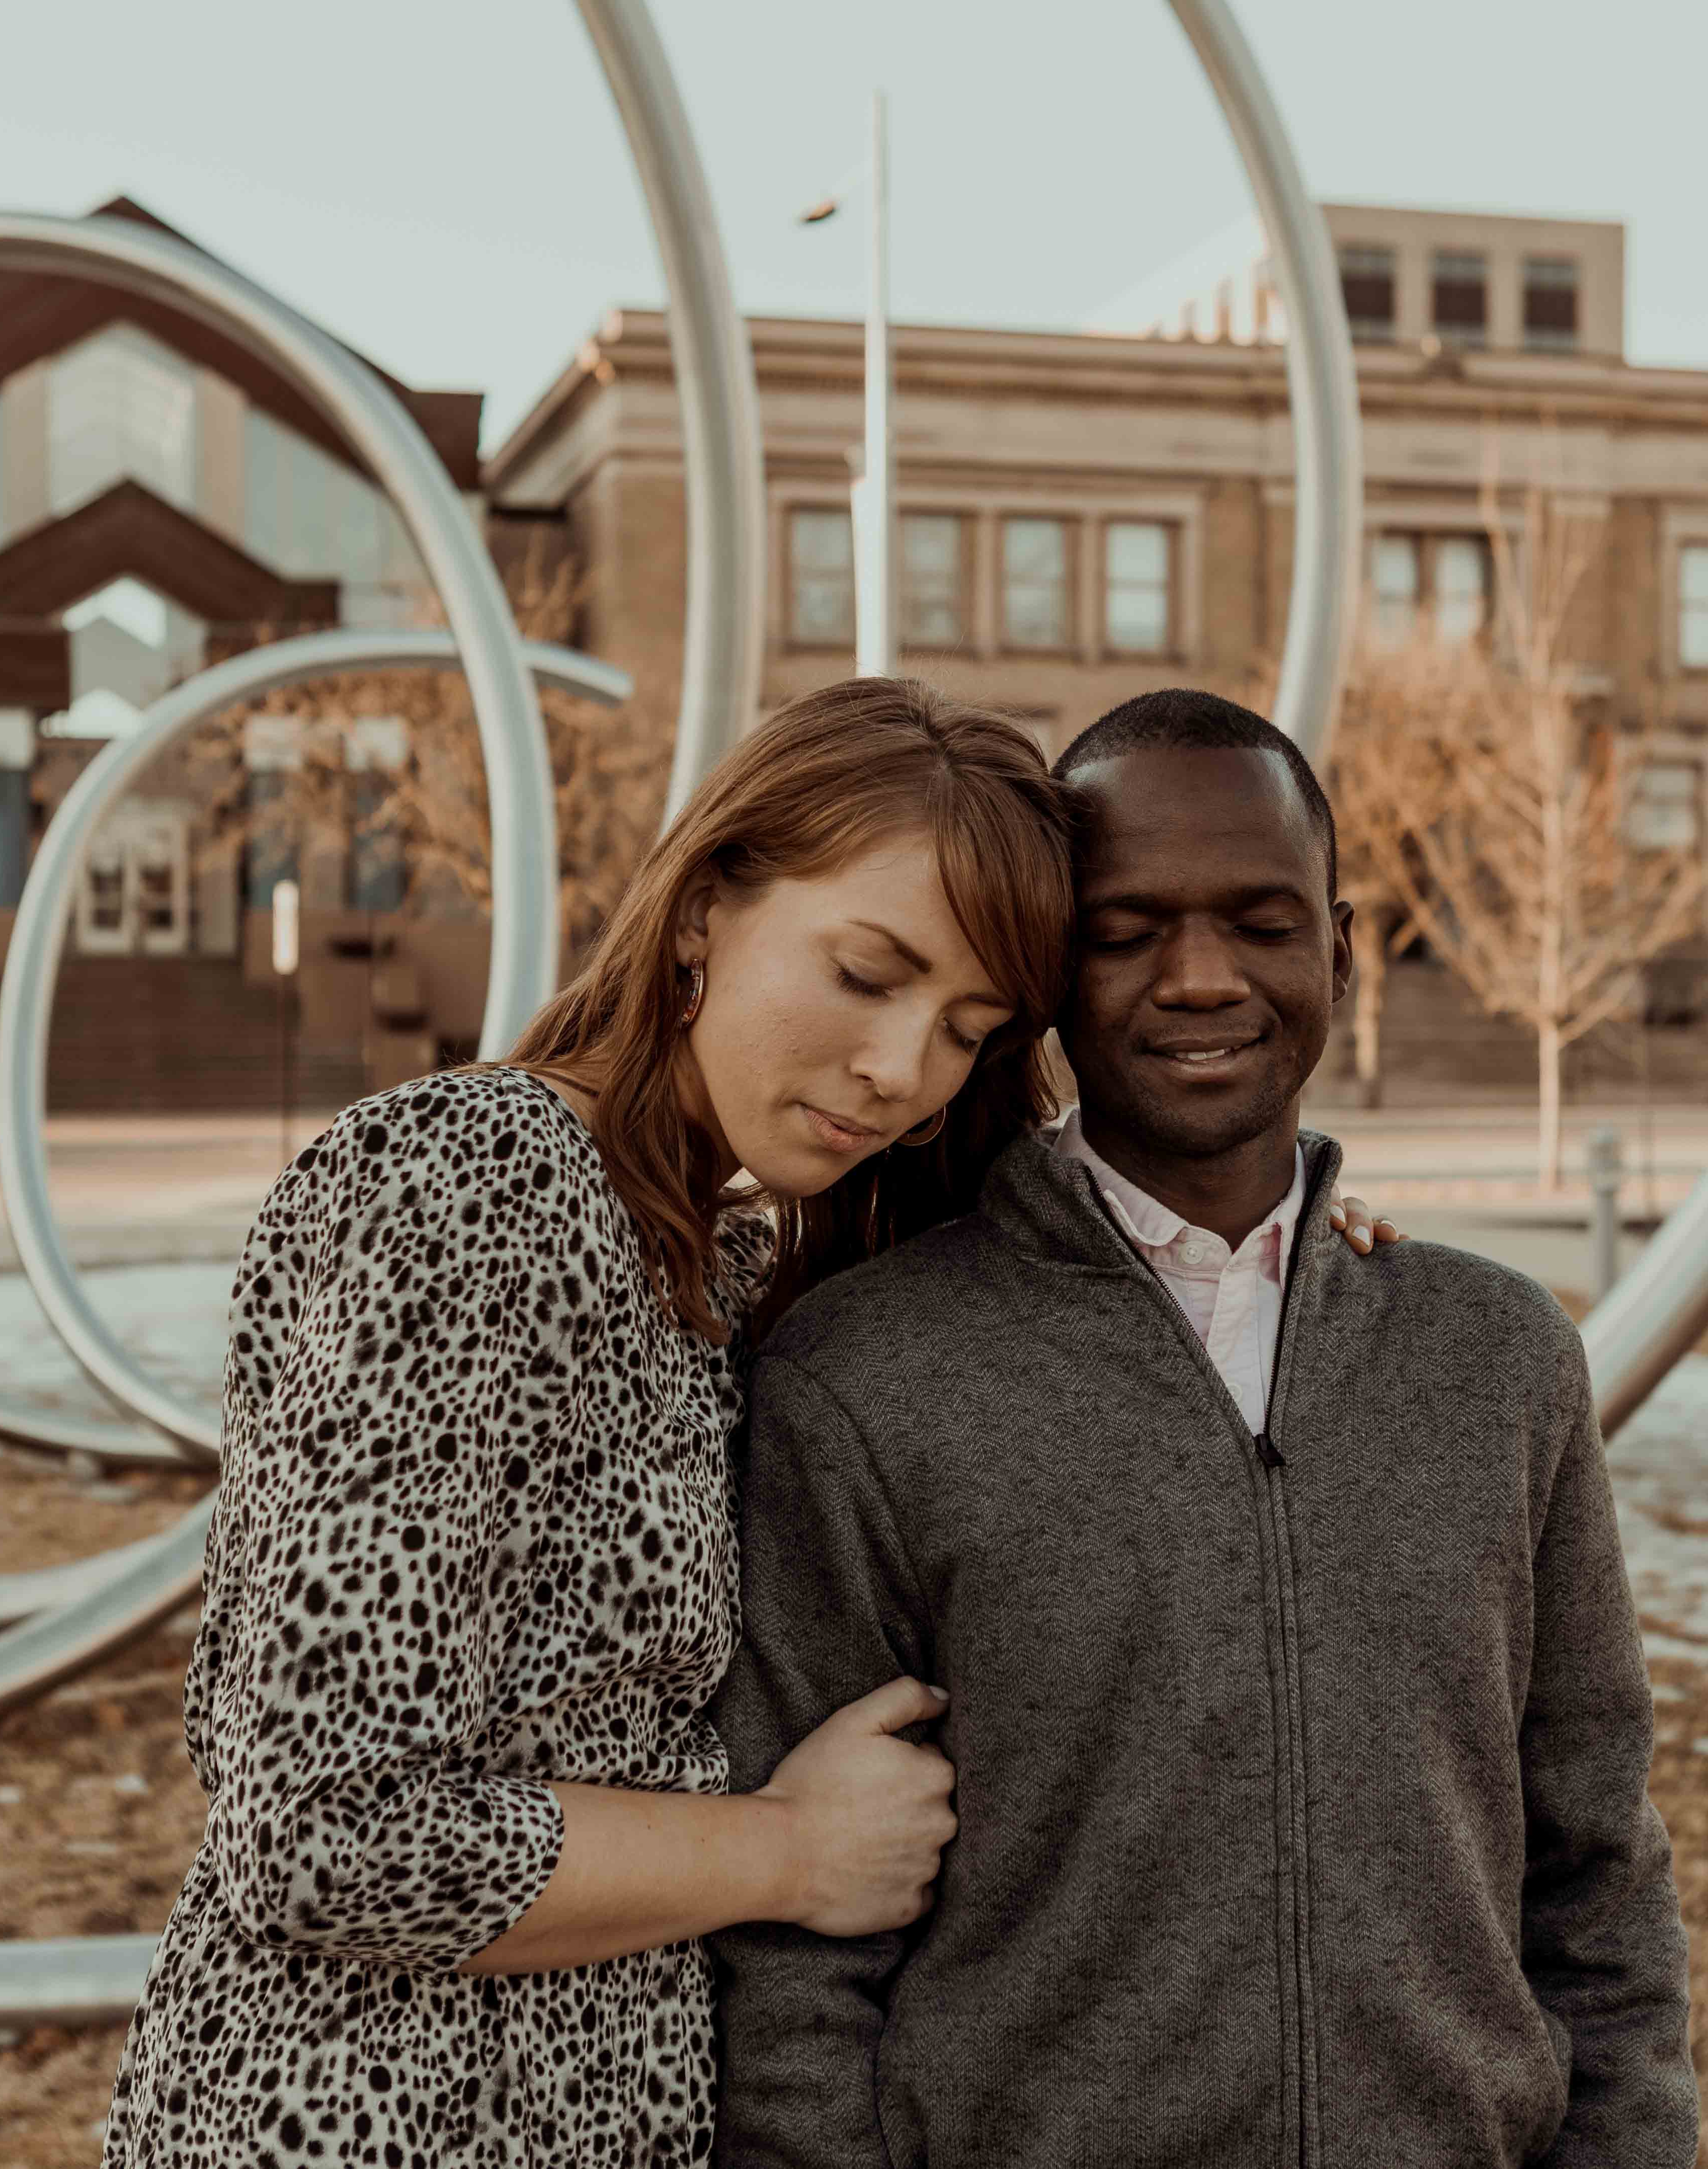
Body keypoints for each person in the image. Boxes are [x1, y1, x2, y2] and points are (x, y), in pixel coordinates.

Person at [713, 688, 1697, 2168]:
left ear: (1342, 951)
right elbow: (794, 1968)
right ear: (1045, 974)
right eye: (1123, 934)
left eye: (1258, 921)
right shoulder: (862, 1376)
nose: (1196, 979)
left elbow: (1596, 1866)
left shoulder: (1495, 1359)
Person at [98, 678, 1066, 2168]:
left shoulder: (710, 1251)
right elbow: (326, 1829)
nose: (905, 1074)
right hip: (370, 2122)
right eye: (869, 973)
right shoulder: (476, 1186)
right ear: (703, 911)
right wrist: (789, 1853)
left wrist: (1276, 1269)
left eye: (967, 1031)